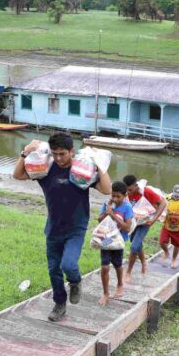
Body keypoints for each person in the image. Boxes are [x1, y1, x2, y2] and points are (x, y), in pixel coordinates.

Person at [13, 133, 112, 322]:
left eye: (63, 154)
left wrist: (98, 164)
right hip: (53, 228)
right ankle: (60, 304)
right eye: (55, 153)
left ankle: (75, 281)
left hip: (76, 228)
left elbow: (107, 189)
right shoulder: (45, 168)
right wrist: (25, 152)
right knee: (53, 270)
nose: (58, 158)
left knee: (68, 264)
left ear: (72, 151)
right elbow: (17, 175)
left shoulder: (82, 169)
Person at [123, 174, 167, 283]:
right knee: (136, 243)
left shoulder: (146, 192)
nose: (129, 192)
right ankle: (144, 262)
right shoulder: (126, 193)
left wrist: (154, 219)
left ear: (136, 185)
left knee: (134, 247)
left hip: (146, 222)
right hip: (134, 222)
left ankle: (128, 272)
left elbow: (163, 203)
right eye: (127, 190)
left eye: (131, 189)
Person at [97, 181, 135, 306]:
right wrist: (106, 211)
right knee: (105, 266)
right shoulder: (108, 204)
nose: (115, 199)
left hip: (118, 241)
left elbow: (127, 228)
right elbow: (99, 220)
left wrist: (113, 215)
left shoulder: (127, 207)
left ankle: (120, 284)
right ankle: (105, 293)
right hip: (106, 239)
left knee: (118, 265)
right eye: (113, 195)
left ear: (125, 195)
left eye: (118, 196)